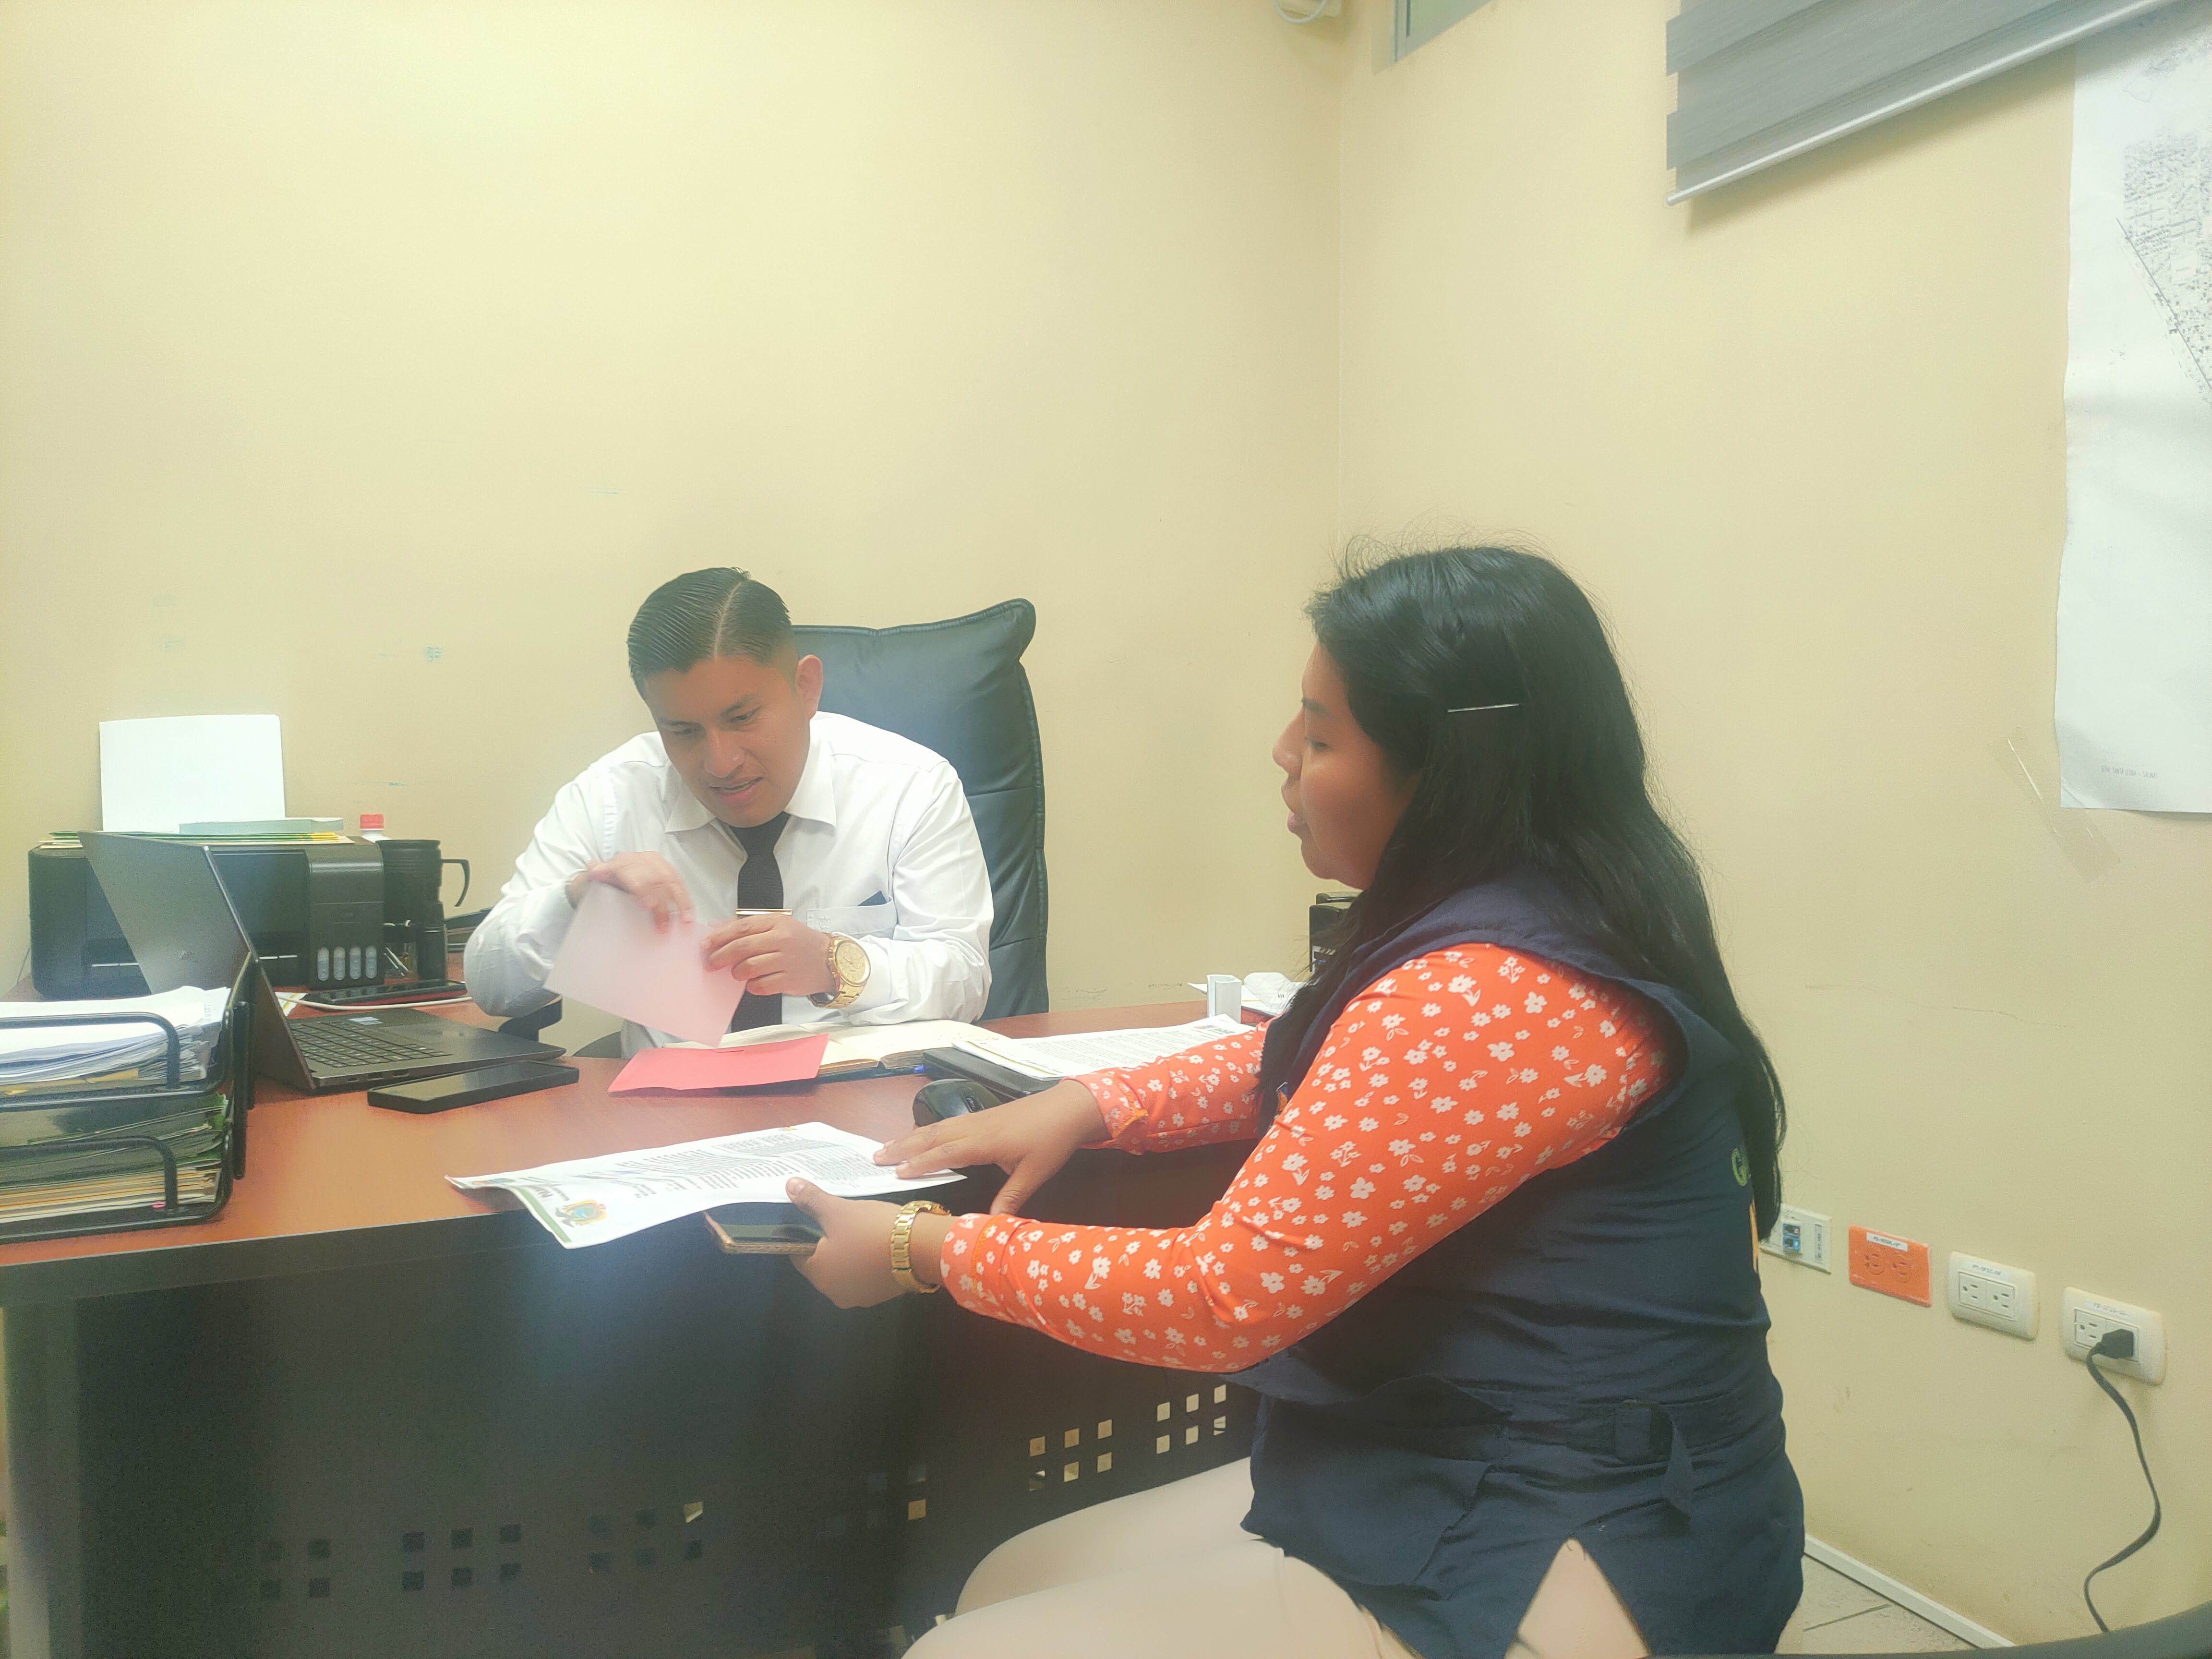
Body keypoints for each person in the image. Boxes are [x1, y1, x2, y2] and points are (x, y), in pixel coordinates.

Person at [782, 546, 1804, 1659]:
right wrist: (1094, 1101)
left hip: (1573, 1524)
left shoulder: (1491, 986)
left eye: (1320, 737)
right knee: (1003, 1578)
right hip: (1459, 1445)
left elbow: (1224, 1296)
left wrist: (922, 1249)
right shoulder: (1550, 899)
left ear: (1450, 777)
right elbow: (1333, 1066)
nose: (1281, 754)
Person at [465, 567, 993, 1049]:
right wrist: (576, 902)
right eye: (683, 731)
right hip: (668, 1106)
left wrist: (834, 963)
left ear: (806, 688)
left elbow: (966, 981)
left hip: (854, 1094)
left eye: (742, 719)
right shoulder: (611, 797)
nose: (721, 763)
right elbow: (490, 987)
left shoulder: (910, 787)